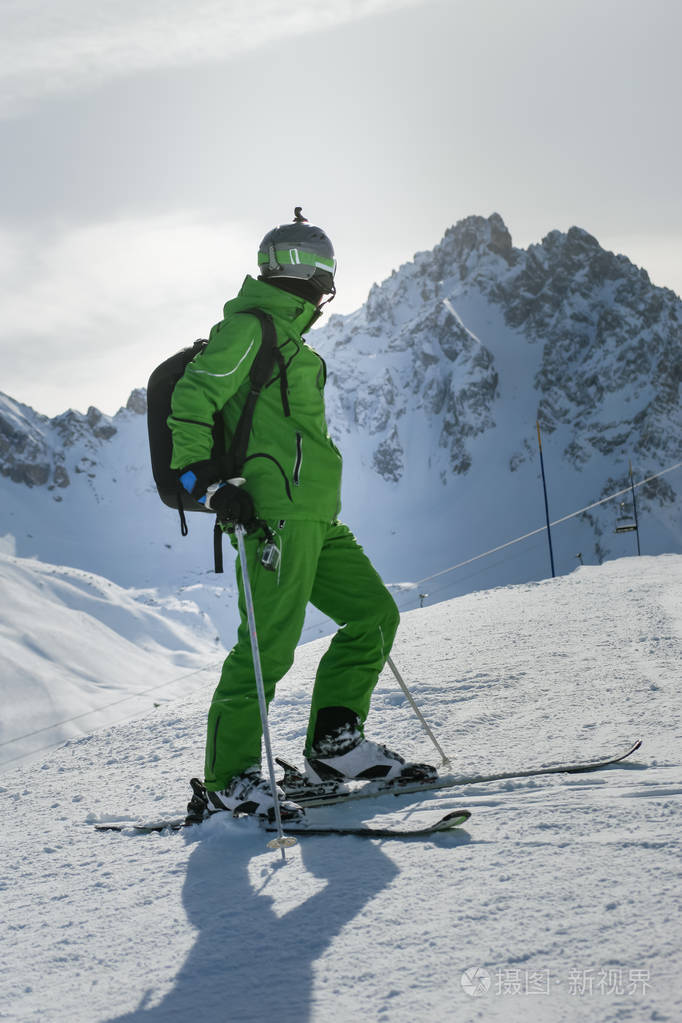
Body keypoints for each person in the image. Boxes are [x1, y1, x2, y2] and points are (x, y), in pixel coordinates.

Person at [168, 209, 434, 820]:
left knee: (372, 614)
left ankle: (335, 745)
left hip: (318, 518)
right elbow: (192, 398)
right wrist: (207, 484)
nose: (328, 288)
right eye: (328, 273)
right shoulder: (249, 331)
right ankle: (227, 779)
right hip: (273, 519)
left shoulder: (292, 343)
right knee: (267, 649)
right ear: (313, 274)